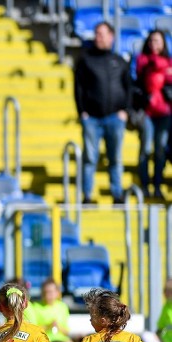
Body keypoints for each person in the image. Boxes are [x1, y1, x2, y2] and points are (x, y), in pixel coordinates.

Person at [74, 21, 131, 204]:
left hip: (115, 117)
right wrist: (82, 112)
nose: (99, 37)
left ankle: (117, 193)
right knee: (90, 158)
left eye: (103, 34)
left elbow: (129, 88)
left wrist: (126, 111)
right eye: (97, 33)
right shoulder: (86, 60)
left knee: (115, 157)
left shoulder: (119, 61)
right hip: (92, 118)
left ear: (111, 37)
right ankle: (88, 195)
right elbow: (79, 88)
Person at [136, 30, 172, 201]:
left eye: (157, 41)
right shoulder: (142, 62)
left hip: (165, 113)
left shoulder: (169, 64)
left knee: (160, 150)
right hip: (148, 112)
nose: (154, 45)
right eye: (151, 41)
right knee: (146, 148)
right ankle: (144, 185)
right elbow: (137, 84)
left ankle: (157, 184)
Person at [25, 278, 72, 342]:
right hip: (44, 341)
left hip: (62, 341)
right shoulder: (35, 307)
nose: (48, 295)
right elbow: (33, 331)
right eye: (45, 292)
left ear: (57, 292)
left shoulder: (63, 307)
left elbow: (67, 332)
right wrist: (48, 326)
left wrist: (58, 327)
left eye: (50, 292)